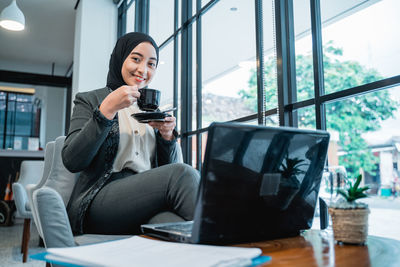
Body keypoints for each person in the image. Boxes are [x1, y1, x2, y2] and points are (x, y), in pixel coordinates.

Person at [62, 32, 200, 235]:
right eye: (136, 59)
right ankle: (232, 240)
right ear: (120, 58)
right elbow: (72, 160)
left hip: (146, 199)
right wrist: (106, 110)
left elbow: (166, 172)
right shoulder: (90, 100)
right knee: (184, 172)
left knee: (178, 228)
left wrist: (167, 138)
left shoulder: (151, 111)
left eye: (151, 64)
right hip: (99, 199)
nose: (143, 69)